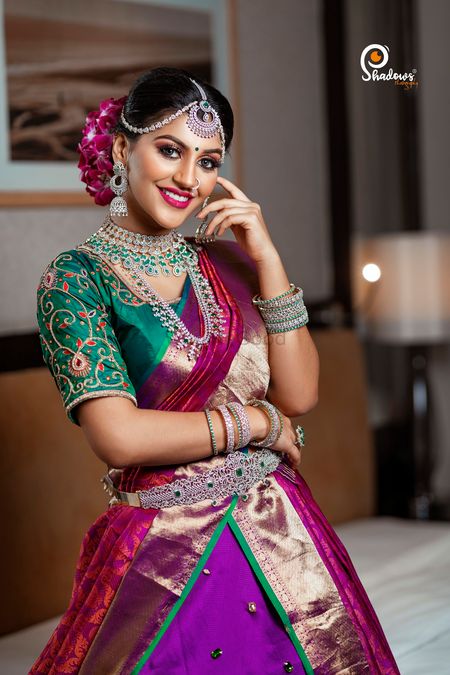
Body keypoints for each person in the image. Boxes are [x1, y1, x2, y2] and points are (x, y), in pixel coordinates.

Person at [31, 66, 399, 674]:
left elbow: (301, 394)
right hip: (161, 546)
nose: (188, 178)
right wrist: (257, 422)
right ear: (123, 148)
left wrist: (270, 260)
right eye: (170, 150)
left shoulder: (230, 259)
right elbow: (117, 435)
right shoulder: (74, 280)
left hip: (281, 531)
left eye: (207, 161)